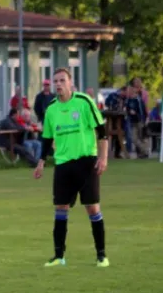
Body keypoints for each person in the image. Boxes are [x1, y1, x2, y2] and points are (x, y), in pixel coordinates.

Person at [33, 68, 110, 268]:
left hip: (86, 163)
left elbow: (102, 132)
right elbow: (47, 138)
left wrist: (103, 158)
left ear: (70, 82)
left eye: (62, 80)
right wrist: (41, 161)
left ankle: (101, 255)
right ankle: (59, 256)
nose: (58, 84)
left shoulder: (84, 102)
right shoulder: (51, 109)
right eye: (55, 81)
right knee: (60, 208)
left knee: (92, 208)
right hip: (63, 165)